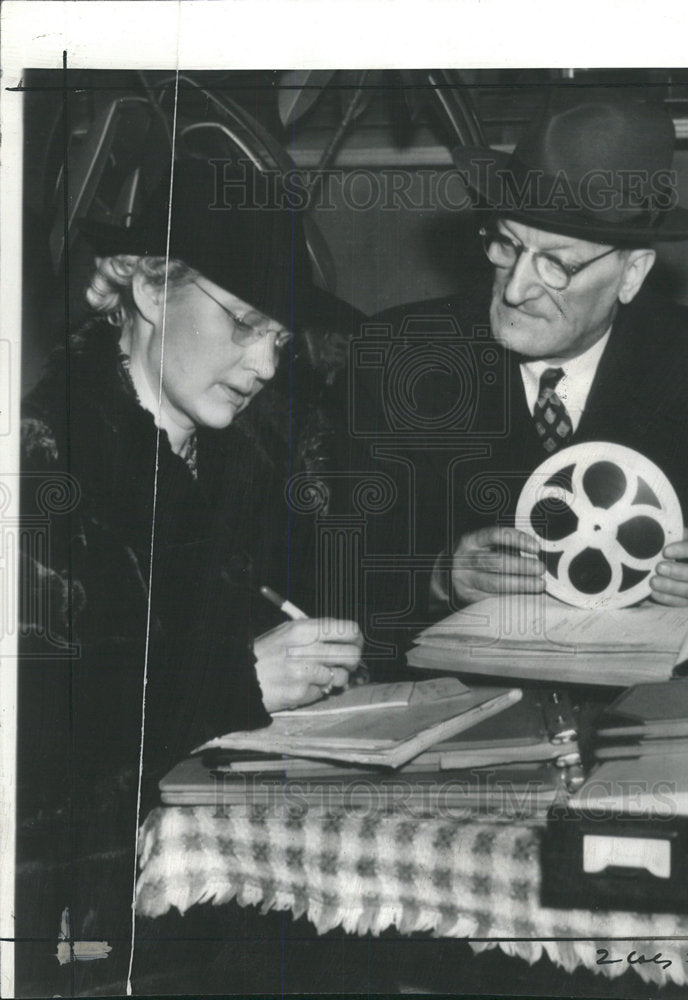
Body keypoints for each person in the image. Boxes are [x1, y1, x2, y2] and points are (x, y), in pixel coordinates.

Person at [16, 157, 362, 992]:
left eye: (280, 337)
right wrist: (239, 680)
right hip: (76, 916)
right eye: (245, 322)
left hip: (229, 887)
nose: (268, 363)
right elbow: (36, 729)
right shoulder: (45, 457)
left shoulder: (246, 453)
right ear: (146, 290)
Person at [347, 98, 688, 639]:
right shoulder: (397, 355)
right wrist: (442, 577)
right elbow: (328, 568)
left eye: (557, 264)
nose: (515, 289)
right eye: (507, 246)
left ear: (631, 274)